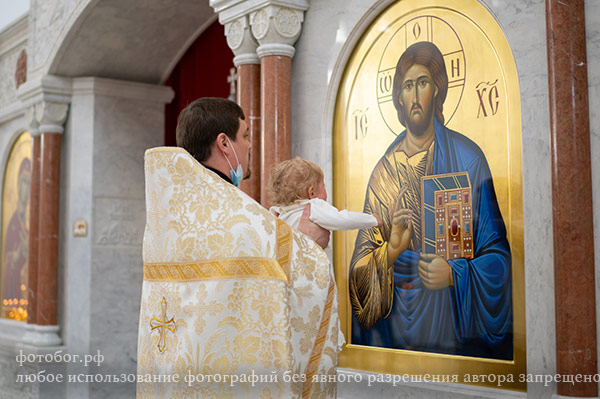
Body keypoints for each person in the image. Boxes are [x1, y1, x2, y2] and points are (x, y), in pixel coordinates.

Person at [137, 98, 339, 398]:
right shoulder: (241, 220)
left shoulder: (166, 217)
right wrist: (308, 246)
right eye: (245, 135)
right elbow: (304, 277)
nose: (249, 146)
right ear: (224, 143)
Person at [349, 42, 512, 359]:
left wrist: (455, 274)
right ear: (398, 96)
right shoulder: (383, 174)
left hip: (454, 330)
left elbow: (499, 258)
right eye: (407, 86)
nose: (414, 95)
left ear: (437, 89)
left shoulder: (468, 158)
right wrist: (391, 252)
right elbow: (358, 273)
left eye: (422, 82)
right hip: (395, 334)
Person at [267, 157, 382, 232]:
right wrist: (372, 220)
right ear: (311, 192)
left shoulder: (280, 214)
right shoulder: (313, 207)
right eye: (323, 186)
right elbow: (341, 219)